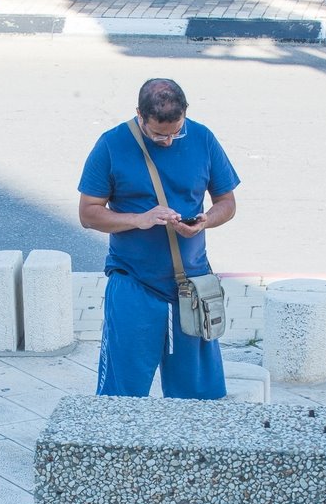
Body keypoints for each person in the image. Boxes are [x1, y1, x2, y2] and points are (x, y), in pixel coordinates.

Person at [78, 78, 240, 399]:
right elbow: (88, 213)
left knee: (198, 399)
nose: (167, 141)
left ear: (185, 114)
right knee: (120, 396)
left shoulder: (203, 138)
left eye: (175, 132)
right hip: (134, 284)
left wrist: (205, 221)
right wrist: (139, 219)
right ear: (139, 115)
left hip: (192, 287)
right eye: (157, 134)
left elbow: (228, 203)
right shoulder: (111, 145)